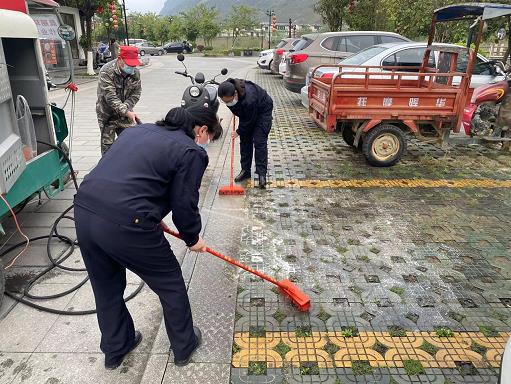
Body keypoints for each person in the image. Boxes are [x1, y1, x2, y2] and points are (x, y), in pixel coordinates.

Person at [74, 106, 222, 370]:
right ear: (201, 130)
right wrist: (192, 238)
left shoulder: (138, 130)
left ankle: (116, 348)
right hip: (126, 224)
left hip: (85, 211)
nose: (205, 142)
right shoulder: (191, 152)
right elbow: (184, 203)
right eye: (208, 136)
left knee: (105, 286)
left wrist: (152, 213)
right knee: (170, 282)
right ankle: (184, 346)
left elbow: (132, 178)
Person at [218, 78, 273, 188]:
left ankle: (262, 174)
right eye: (225, 102)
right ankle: (245, 170)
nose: (228, 104)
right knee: (245, 141)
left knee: (259, 142)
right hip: (248, 111)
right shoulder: (228, 90)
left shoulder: (249, 98)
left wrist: (238, 131)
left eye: (229, 101)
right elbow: (243, 114)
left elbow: (249, 120)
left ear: (235, 94)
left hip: (262, 111)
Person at [96, 45, 142, 155]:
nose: (132, 67)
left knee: (130, 144)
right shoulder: (106, 71)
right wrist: (127, 112)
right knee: (108, 149)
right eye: (129, 64)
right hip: (107, 114)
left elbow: (136, 93)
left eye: (134, 64)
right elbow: (110, 97)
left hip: (125, 115)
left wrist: (126, 108)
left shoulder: (135, 73)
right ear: (120, 59)